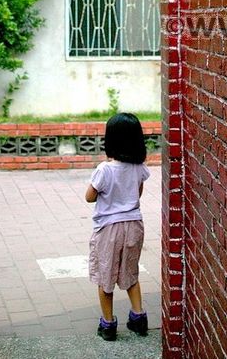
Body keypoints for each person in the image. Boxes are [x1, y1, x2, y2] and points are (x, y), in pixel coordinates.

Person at [85, 112, 150, 341]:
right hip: (134, 224)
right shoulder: (138, 168)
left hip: (109, 228)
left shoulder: (105, 169)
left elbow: (89, 197)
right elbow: (138, 194)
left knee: (106, 275)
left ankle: (108, 324)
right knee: (131, 272)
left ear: (110, 139)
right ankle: (138, 317)